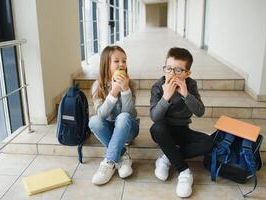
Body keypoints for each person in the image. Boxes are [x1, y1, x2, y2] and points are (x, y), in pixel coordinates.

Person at [149, 47, 213, 197]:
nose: (171, 74)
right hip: (163, 130)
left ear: (187, 73)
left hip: (183, 129)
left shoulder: (190, 85)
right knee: (157, 128)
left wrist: (185, 94)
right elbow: (155, 117)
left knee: (208, 142)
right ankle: (184, 172)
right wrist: (166, 97)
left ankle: (167, 156)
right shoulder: (158, 86)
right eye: (168, 68)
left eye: (178, 70)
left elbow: (200, 112)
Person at [89, 45, 139, 185]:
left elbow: (129, 114)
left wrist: (125, 90)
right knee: (93, 121)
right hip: (110, 129)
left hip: (129, 129)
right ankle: (123, 155)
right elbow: (101, 115)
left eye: (124, 60)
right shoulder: (97, 86)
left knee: (123, 117)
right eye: (116, 61)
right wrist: (113, 93)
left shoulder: (131, 84)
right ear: (106, 64)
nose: (122, 64)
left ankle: (109, 161)